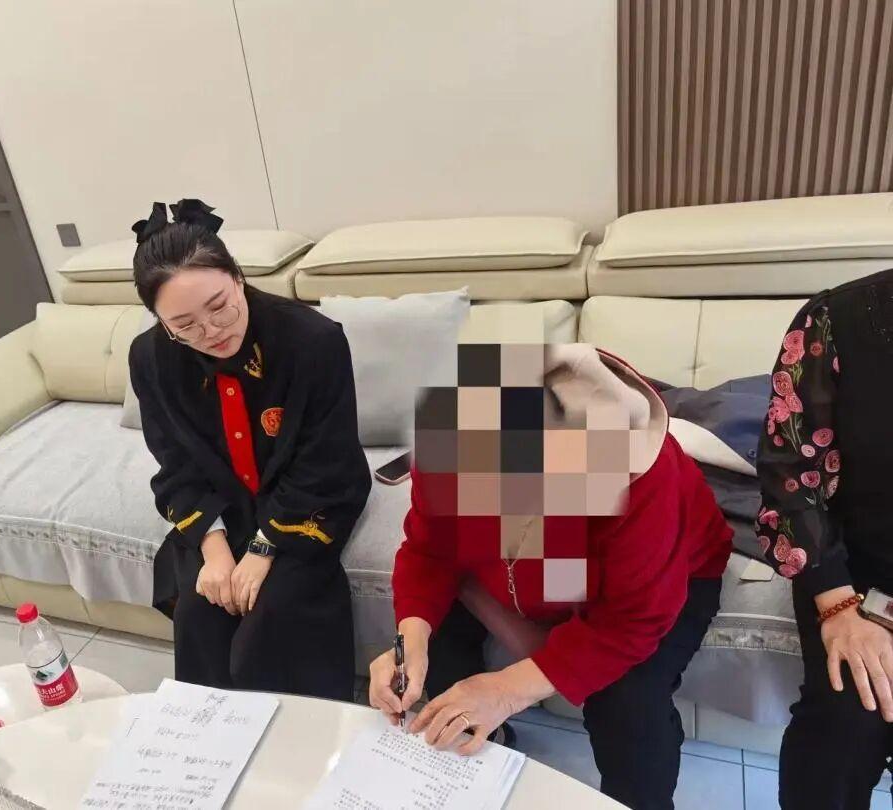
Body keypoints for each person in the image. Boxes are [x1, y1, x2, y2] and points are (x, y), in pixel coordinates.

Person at [368, 342, 733, 810]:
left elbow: (631, 621)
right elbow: (429, 551)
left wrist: (506, 690)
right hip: (520, 574)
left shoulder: (642, 476)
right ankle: (467, 767)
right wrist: (409, 643)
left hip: (652, 580)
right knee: (438, 642)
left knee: (627, 701)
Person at [128, 199, 371, 701]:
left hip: (308, 500)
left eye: (219, 306)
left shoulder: (313, 340)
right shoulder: (150, 357)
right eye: (184, 324)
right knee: (201, 610)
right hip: (224, 503)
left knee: (270, 619)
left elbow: (326, 461)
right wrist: (215, 551)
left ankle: (301, 732)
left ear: (237, 278)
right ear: (160, 321)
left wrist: (262, 549)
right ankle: (213, 735)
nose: (211, 332)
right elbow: (175, 462)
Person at [755, 268, 893, 810]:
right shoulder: (835, 321)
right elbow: (790, 476)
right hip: (856, 576)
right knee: (845, 720)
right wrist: (839, 607)